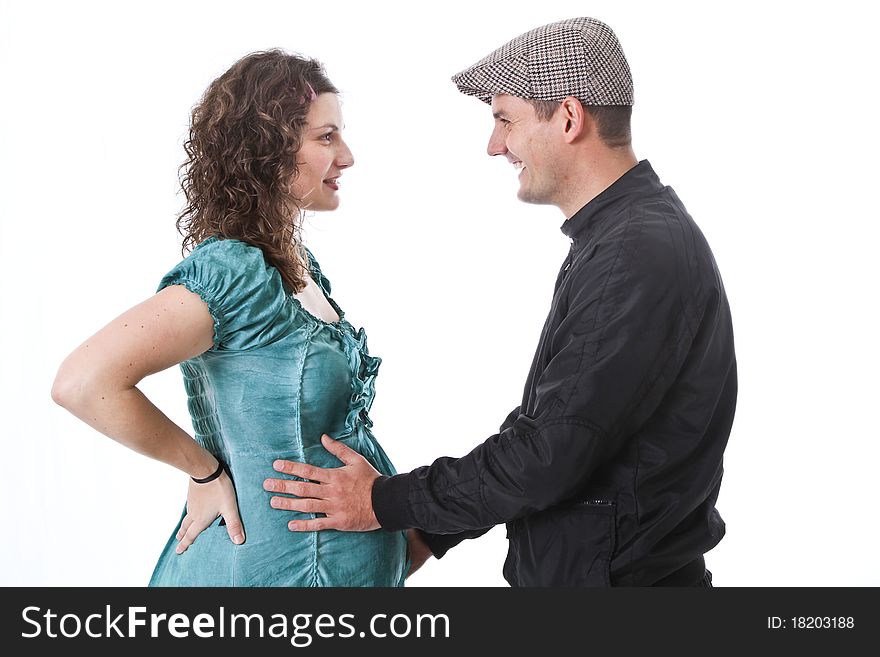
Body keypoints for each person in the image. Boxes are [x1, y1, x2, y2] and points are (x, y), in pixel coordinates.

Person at [263, 18, 737, 586]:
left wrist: (386, 502)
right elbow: (556, 425)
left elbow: (548, 454)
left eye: (504, 119)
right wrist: (431, 531)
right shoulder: (619, 239)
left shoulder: (635, 252)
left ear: (568, 118)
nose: (494, 146)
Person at [51, 50, 409, 586]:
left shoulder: (294, 268)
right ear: (269, 149)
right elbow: (83, 383)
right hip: (276, 571)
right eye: (326, 137)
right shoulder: (234, 272)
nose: (348, 156)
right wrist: (204, 470)